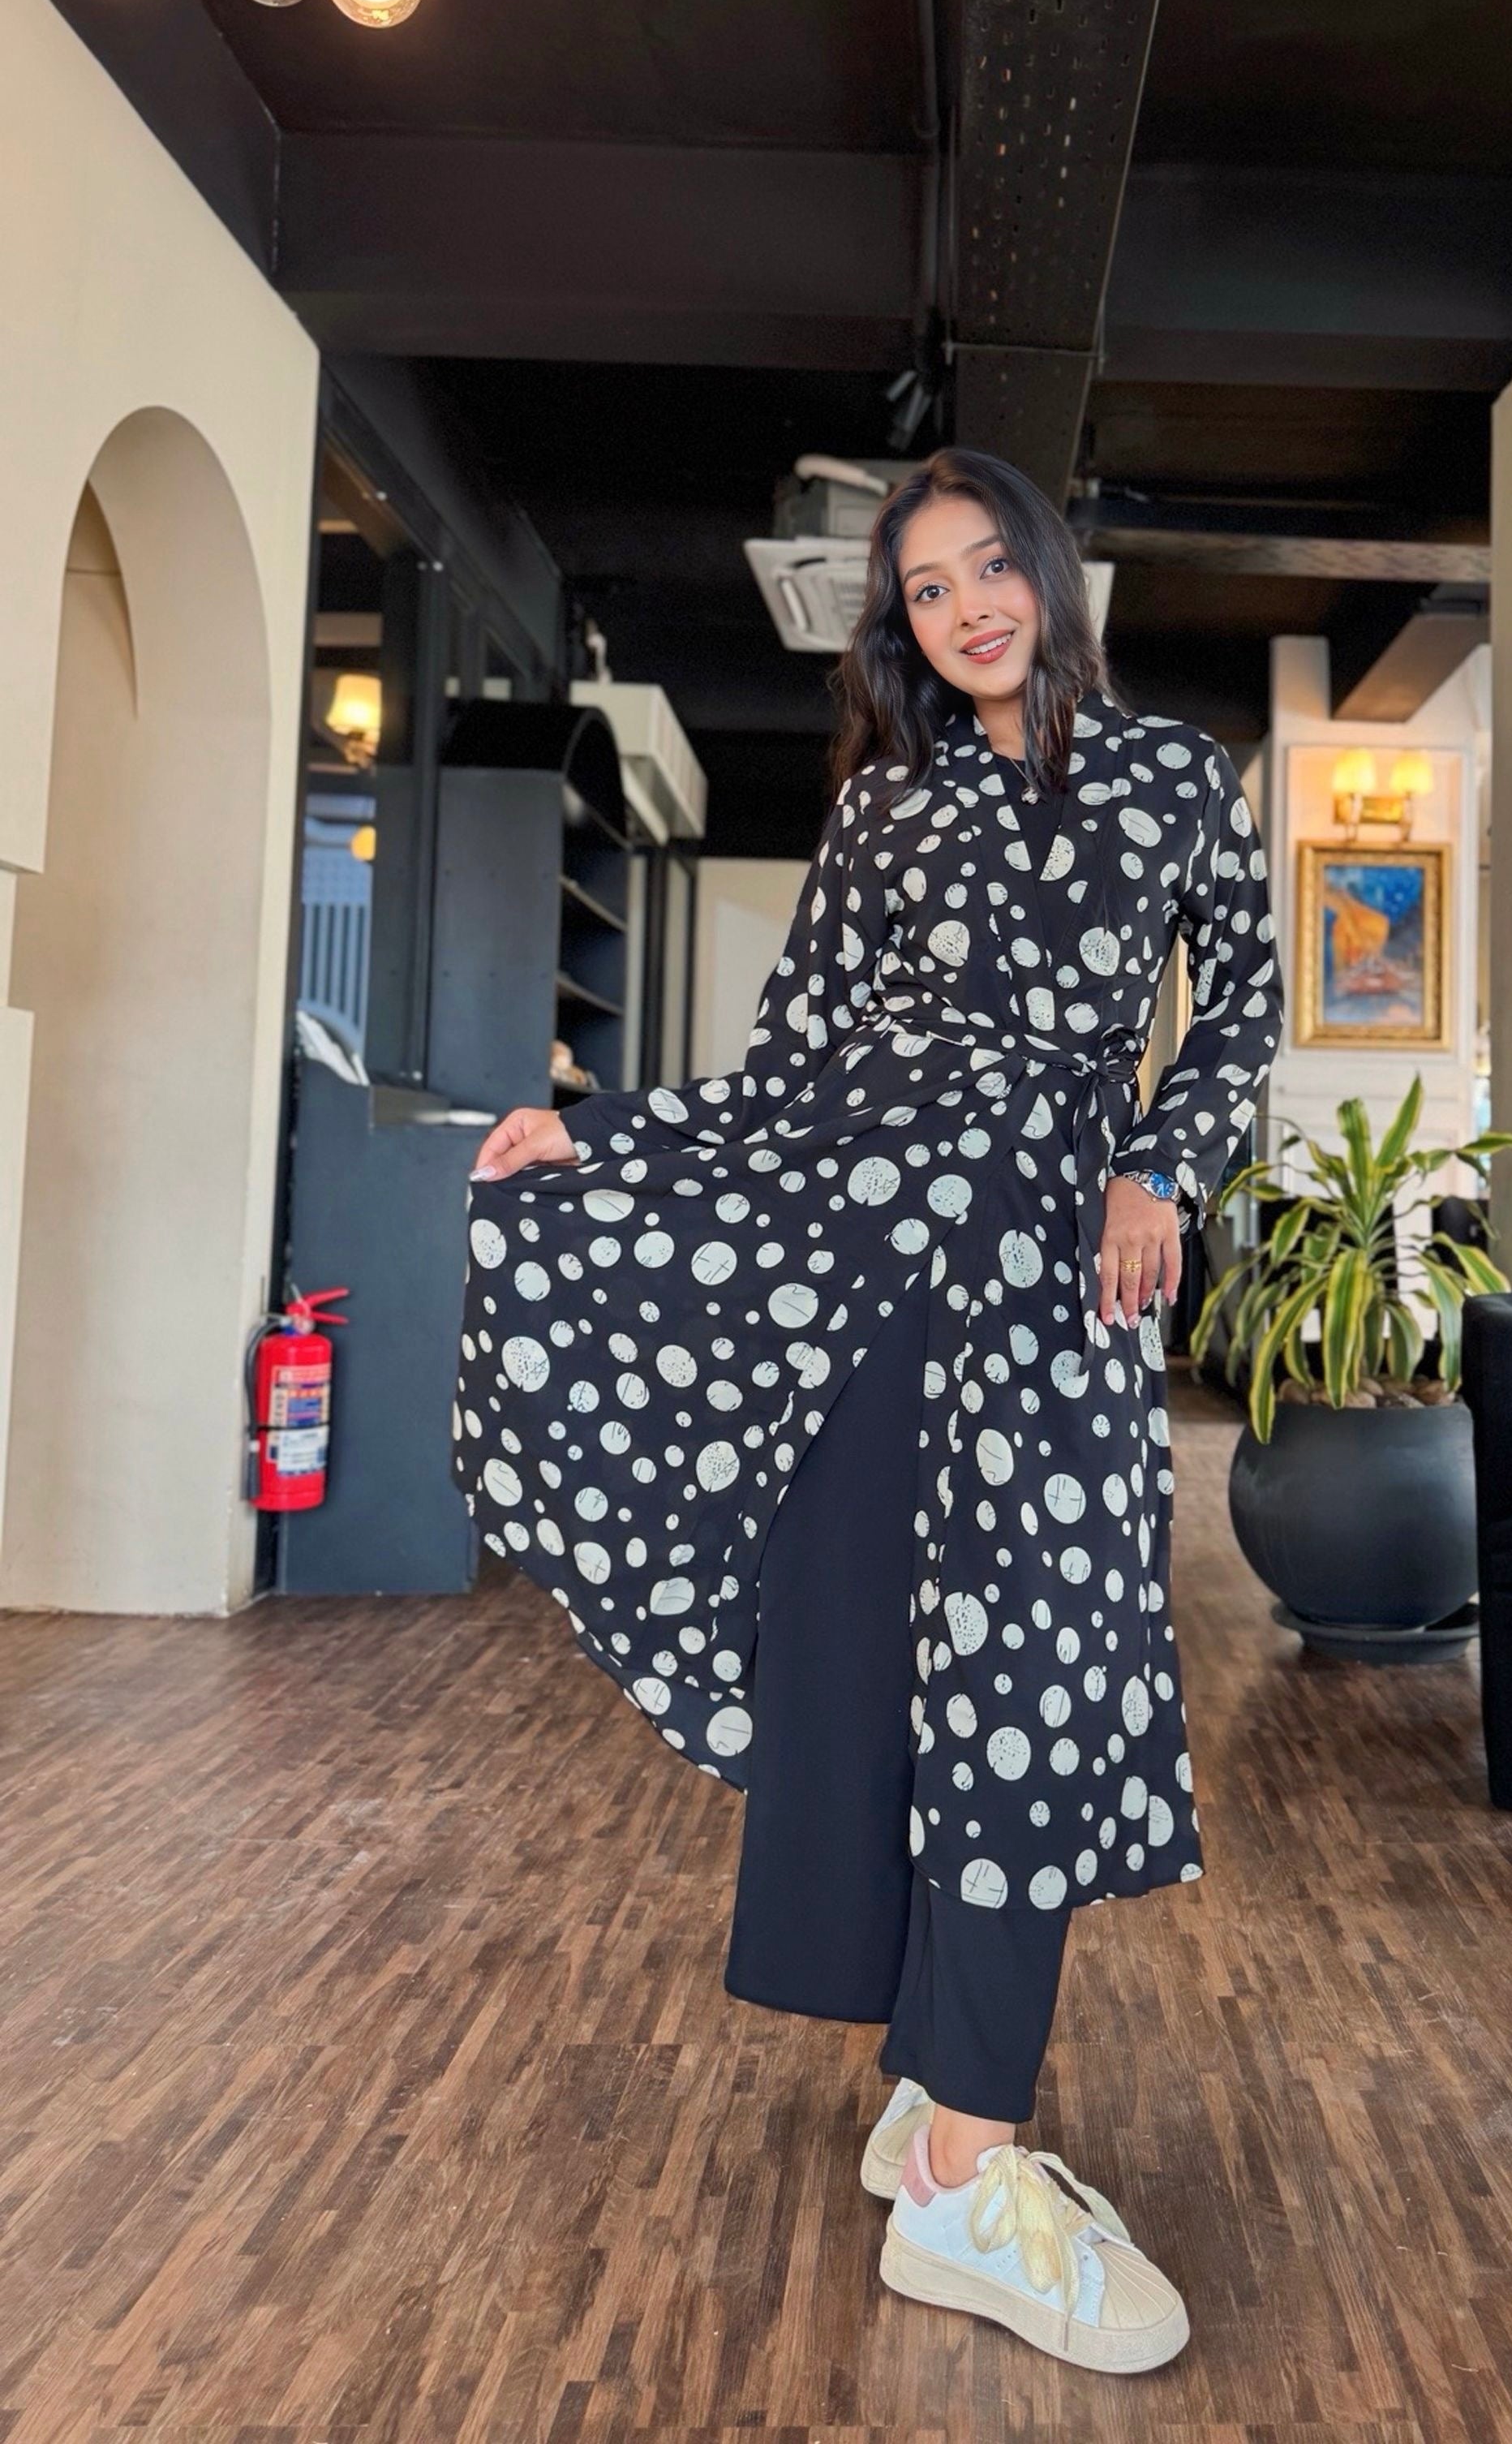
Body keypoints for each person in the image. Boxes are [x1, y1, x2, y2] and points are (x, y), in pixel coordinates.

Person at [455, 446, 1282, 2373]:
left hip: (1055, 1284)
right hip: (868, 1271)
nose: (972, 607)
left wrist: (1159, 1166)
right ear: (901, 630)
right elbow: (789, 1071)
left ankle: (950, 2110)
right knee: (899, 1677)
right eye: (929, 589)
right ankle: (962, 2166)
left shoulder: (1174, 783)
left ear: (1051, 576)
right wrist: (600, 1134)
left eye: (994, 566)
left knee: (1037, 1676)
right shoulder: (888, 812)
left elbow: (1238, 1010)